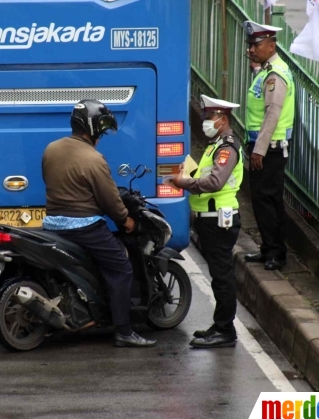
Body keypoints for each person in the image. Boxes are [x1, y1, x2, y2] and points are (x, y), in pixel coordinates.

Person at [41, 99, 156, 348]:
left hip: (52, 225)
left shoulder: (51, 149)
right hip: (84, 228)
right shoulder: (94, 159)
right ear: (92, 129)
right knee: (121, 267)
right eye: (101, 132)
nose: (101, 138)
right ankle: (124, 331)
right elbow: (110, 201)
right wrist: (126, 221)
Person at [165, 94, 243, 349]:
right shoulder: (214, 145)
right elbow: (202, 173)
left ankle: (225, 330)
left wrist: (183, 182)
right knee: (218, 275)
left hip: (220, 220)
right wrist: (182, 172)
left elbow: (214, 182)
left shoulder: (226, 148)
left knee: (222, 276)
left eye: (209, 117)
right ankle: (220, 325)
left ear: (222, 119)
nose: (205, 122)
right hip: (208, 220)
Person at [242, 20, 295, 271]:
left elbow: (272, 113)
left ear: (271, 45)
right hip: (264, 146)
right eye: (249, 45)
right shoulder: (266, 71)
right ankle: (268, 249)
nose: (251, 49)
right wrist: (256, 67)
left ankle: (276, 253)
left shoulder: (275, 75)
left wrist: (259, 149)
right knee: (263, 201)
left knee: (268, 200)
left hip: (270, 148)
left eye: (256, 45)